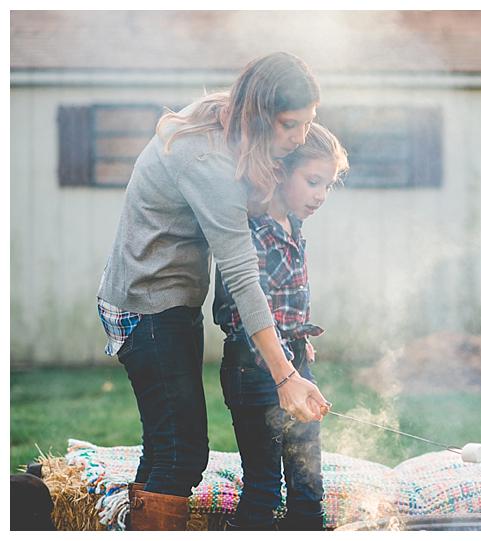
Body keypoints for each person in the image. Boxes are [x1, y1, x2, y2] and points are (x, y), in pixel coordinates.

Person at [96, 52, 329, 531]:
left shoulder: (230, 116)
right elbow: (243, 276)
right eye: (289, 124)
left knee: (167, 445)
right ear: (260, 114)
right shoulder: (209, 161)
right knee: (183, 454)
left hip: (167, 297)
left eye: (307, 123)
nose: (298, 138)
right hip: (146, 303)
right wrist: (285, 377)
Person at [213, 122, 348, 530]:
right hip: (254, 373)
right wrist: (283, 361)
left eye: (328, 185)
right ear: (278, 173)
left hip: (292, 364)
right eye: (313, 182)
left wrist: (298, 338)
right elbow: (243, 314)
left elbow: (285, 299)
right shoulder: (251, 234)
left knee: (308, 484)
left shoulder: (293, 226)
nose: (321, 196)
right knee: (265, 487)